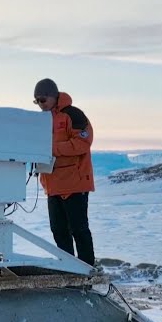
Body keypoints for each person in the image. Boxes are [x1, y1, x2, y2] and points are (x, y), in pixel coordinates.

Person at [33, 78, 96, 266]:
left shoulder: (73, 115)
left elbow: (82, 143)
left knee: (79, 229)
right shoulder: (42, 120)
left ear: (53, 96)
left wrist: (51, 148)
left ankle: (86, 271)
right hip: (52, 185)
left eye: (42, 100)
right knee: (59, 231)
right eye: (37, 101)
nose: (40, 105)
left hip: (74, 184)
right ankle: (69, 269)